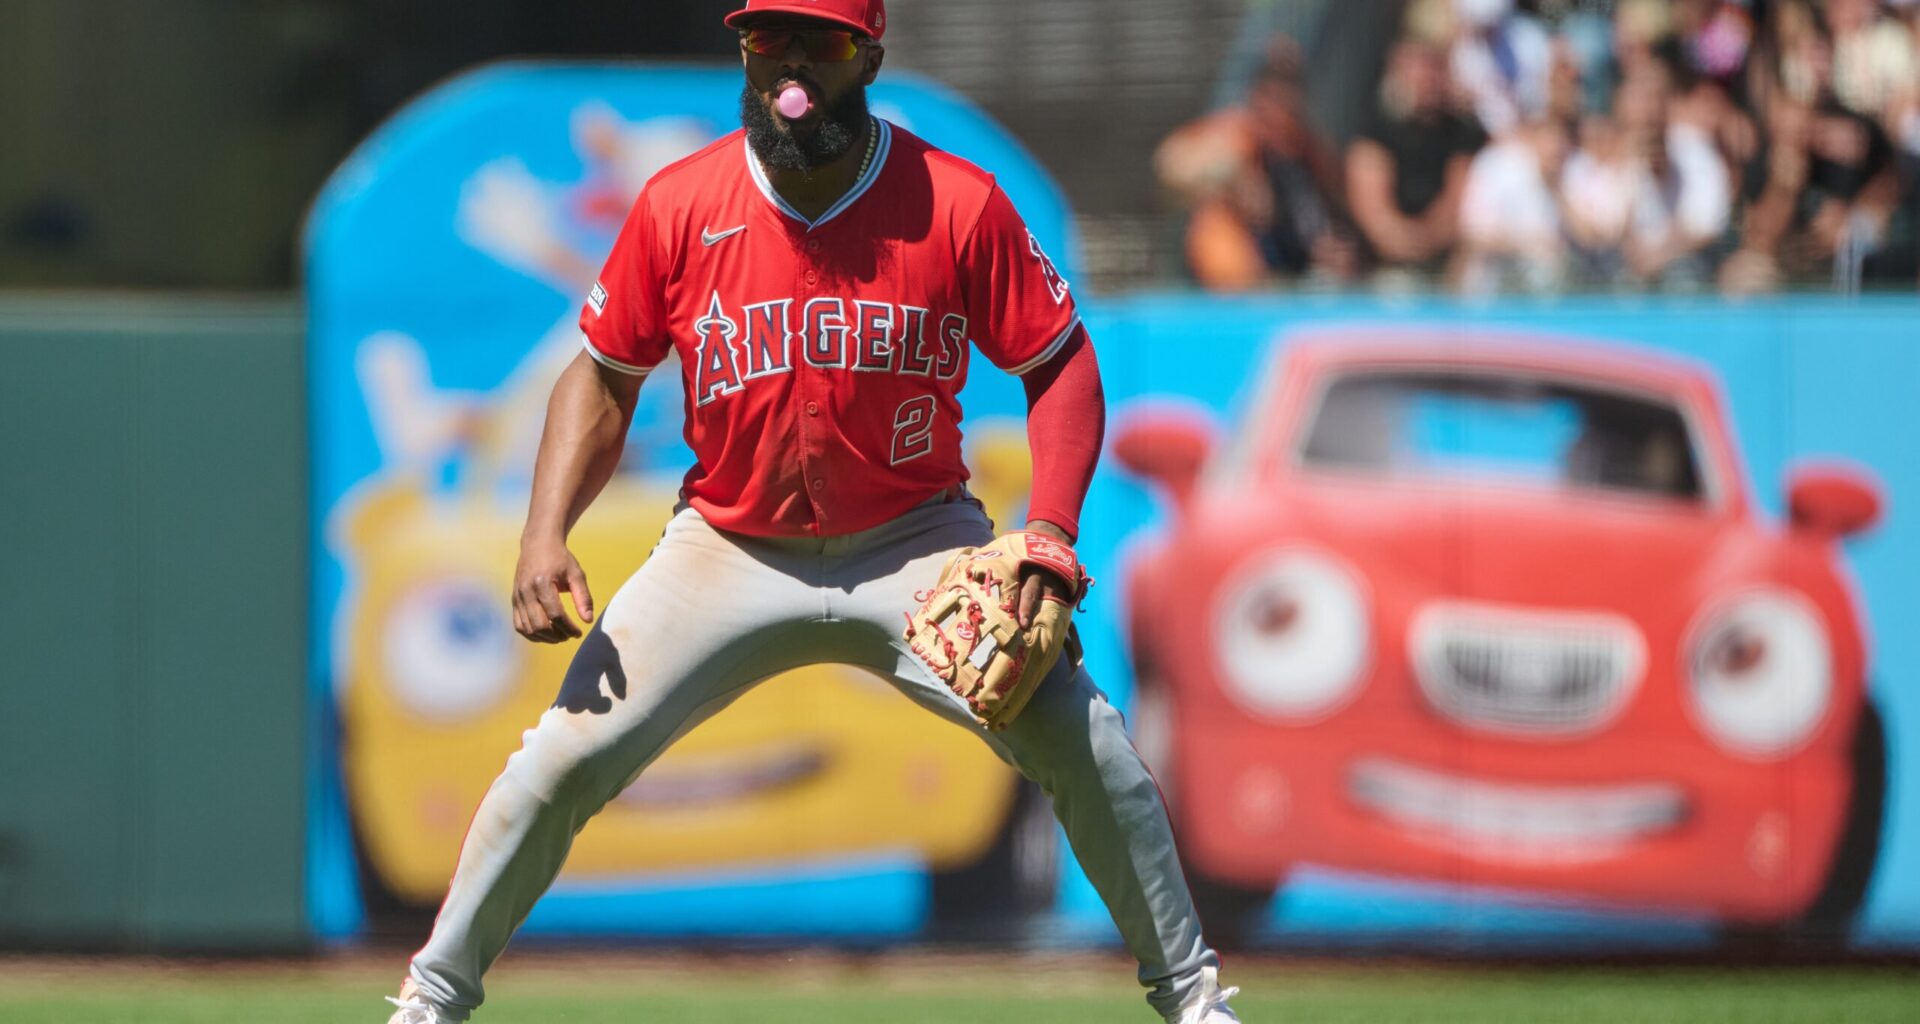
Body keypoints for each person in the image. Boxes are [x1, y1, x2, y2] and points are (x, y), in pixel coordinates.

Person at [379, 2, 1241, 1022]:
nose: (791, 63)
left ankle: (1194, 1001)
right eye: (766, 37)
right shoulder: (680, 203)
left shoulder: (954, 203)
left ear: (869, 54)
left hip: (916, 541)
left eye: (821, 41)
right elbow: (603, 378)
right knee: (558, 761)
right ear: (743, 49)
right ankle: (430, 1002)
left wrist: (1048, 529)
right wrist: (542, 530)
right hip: (729, 545)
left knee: (1085, 741)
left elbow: (1059, 365)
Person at [1155, 37, 1356, 290]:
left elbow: (1339, 199)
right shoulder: (1238, 134)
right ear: (1258, 97)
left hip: (1305, 280)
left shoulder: (1307, 147)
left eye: (1290, 93)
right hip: (1243, 284)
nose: (1283, 110)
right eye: (1275, 96)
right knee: (1213, 217)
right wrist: (1234, 178)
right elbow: (1170, 164)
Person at [1347, 36, 1488, 278]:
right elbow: (1375, 214)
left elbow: (1460, 201)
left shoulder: (1464, 134)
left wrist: (1428, 239)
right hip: (1389, 268)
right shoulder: (1376, 133)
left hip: (1450, 264)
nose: (1427, 78)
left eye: (1434, 67)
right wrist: (1406, 243)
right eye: (1418, 68)